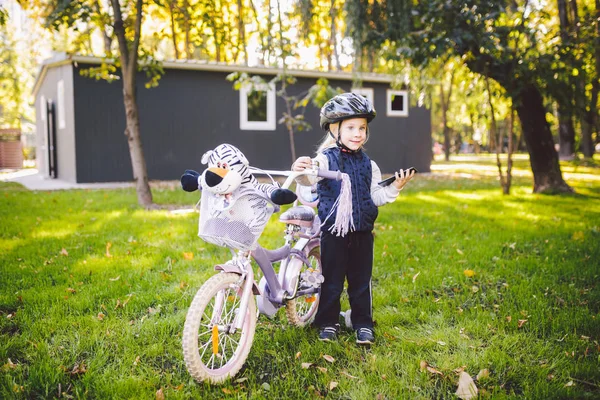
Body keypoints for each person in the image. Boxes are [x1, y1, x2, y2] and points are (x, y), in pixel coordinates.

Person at [292, 92, 415, 345]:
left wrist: (397, 186)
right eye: (350, 127)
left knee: (361, 282)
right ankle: (328, 322)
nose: (358, 133)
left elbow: (376, 196)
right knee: (332, 280)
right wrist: (301, 170)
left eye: (362, 127)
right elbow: (308, 179)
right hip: (334, 232)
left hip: (362, 232)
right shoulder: (325, 158)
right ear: (335, 130)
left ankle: (362, 323)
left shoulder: (369, 164)